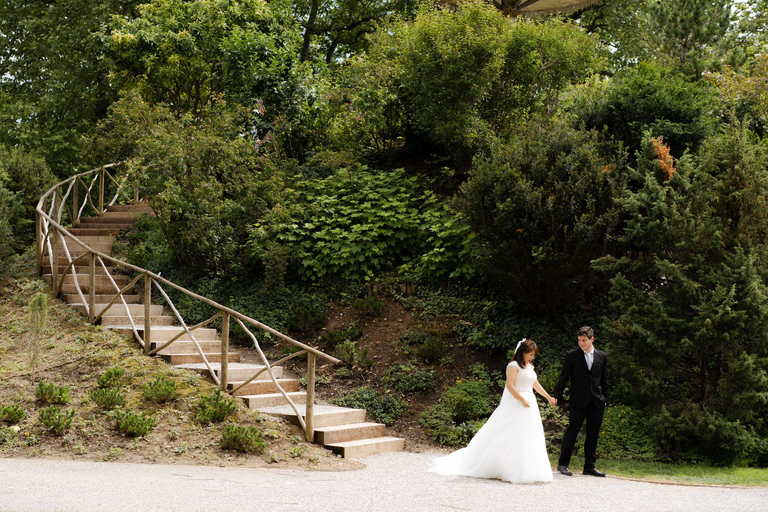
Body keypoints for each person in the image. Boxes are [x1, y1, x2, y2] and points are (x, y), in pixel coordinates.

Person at [428, 338, 557, 484]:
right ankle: (503, 466)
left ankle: (528, 469)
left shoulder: (529, 367)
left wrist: (548, 397)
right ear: (523, 353)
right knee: (509, 434)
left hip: (530, 404)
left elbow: (535, 384)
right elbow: (510, 385)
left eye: (534, 355)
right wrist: (521, 399)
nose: (532, 357)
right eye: (531, 354)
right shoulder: (513, 366)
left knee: (529, 435)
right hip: (517, 403)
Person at [552, 325, 609, 477]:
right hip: (578, 401)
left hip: (597, 402)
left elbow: (604, 380)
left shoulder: (602, 356)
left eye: (584, 340)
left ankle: (589, 466)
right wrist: (556, 395)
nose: (581, 343)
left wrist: (605, 399)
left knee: (593, 434)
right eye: (579, 340)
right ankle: (563, 464)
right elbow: (564, 377)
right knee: (572, 432)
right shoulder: (572, 355)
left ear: (592, 339)